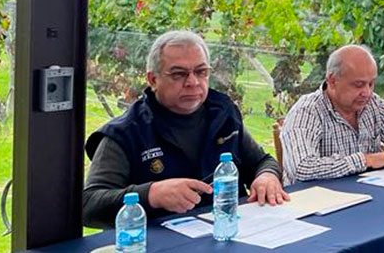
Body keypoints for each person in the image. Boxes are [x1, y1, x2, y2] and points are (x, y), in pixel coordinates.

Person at [82, 31, 286, 228]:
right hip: (160, 243)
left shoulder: (223, 114)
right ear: (153, 79)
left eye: (201, 72)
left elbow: (261, 161)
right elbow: (89, 205)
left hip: (232, 232)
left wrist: (266, 176)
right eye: (179, 74)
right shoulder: (126, 133)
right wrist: (151, 195)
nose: (193, 82)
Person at [281, 45, 384, 184]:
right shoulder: (307, 111)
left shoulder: (372, 103)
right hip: (318, 201)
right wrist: (366, 160)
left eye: (371, 83)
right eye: (358, 85)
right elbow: (302, 168)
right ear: (332, 81)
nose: (367, 92)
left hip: (368, 193)